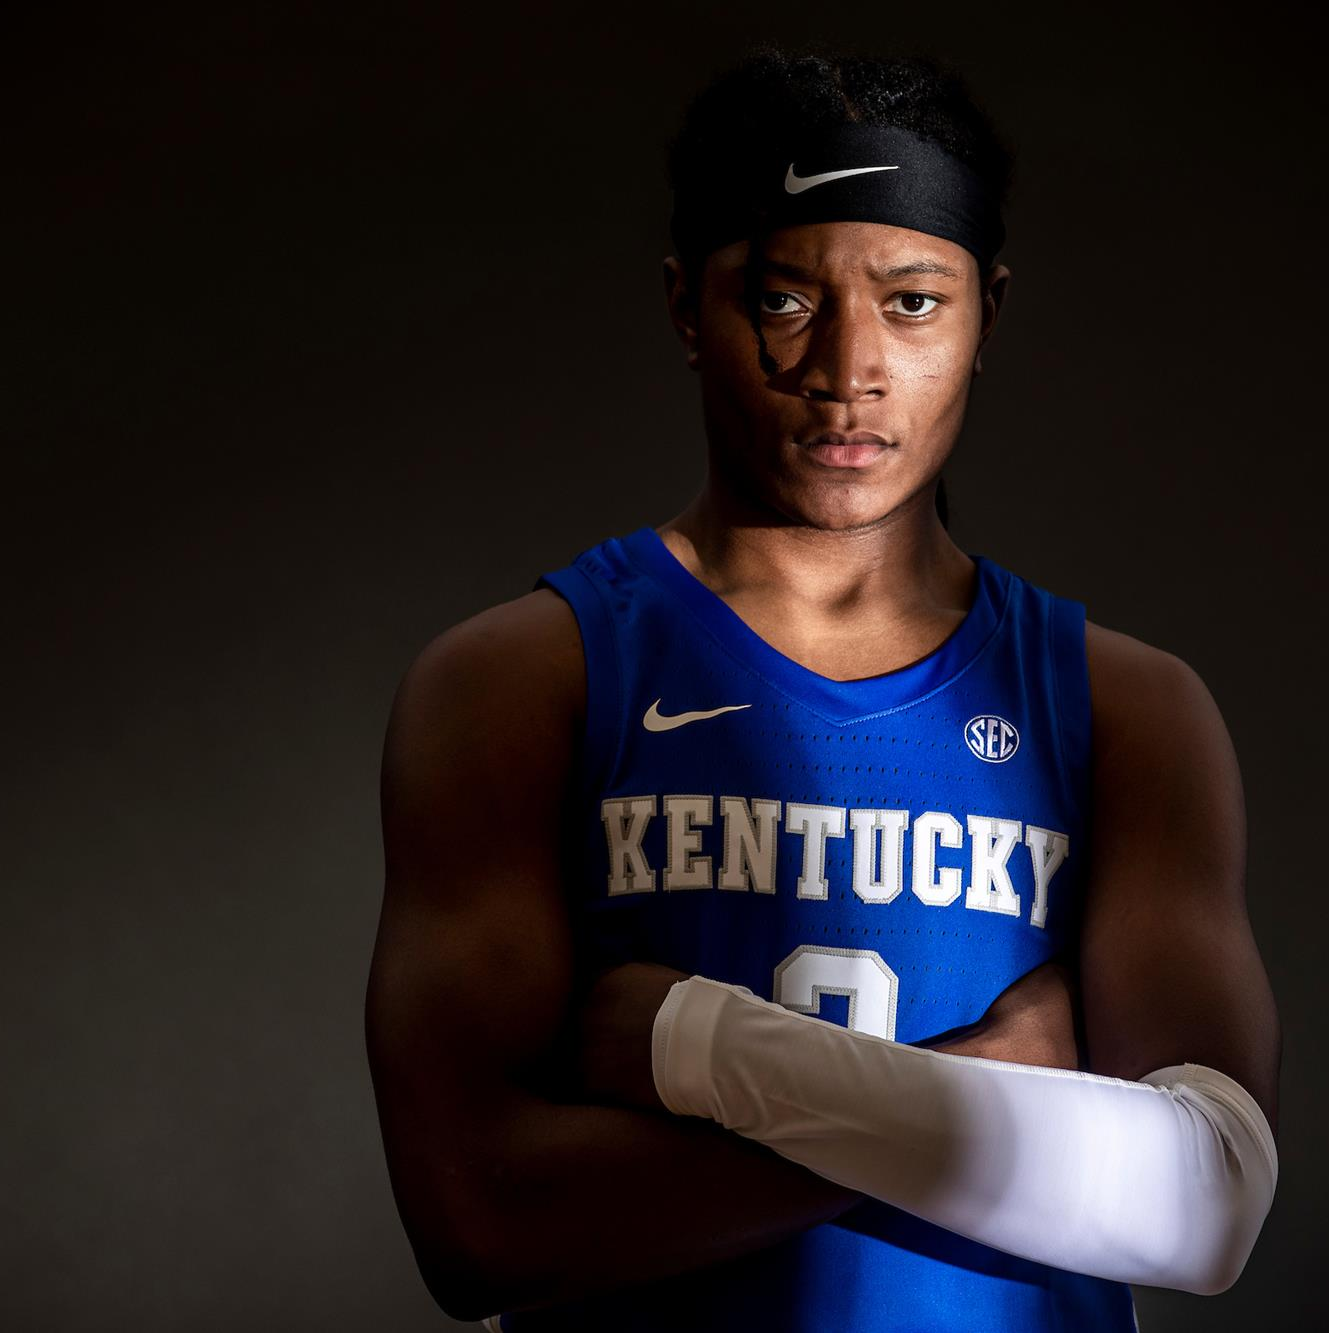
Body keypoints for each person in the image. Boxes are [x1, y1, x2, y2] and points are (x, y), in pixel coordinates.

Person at [365, 45, 1281, 1332]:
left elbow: (1204, 1198)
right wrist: (987, 1099)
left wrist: (698, 1051)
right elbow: (481, 1225)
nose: (848, 366)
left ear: (986, 317)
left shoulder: (1127, 712)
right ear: (688, 306)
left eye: (911, 302)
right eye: (785, 300)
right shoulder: (525, 683)